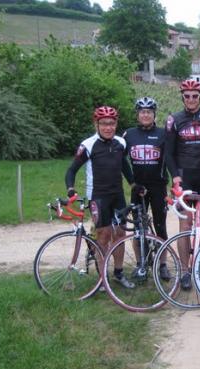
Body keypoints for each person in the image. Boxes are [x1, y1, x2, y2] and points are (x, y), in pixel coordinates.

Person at [65, 106, 136, 289]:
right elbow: (72, 170)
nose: (108, 127)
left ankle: (119, 273)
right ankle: (102, 278)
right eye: (104, 124)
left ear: (116, 124)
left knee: (120, 234)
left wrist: (134, 184)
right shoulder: (88, 145)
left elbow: (124, 166)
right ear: (96, 124)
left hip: (117, 195)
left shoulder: (121, 143)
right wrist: (71, 189)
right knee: (103, 236)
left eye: (111, 123)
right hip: (98, 197)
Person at [164, 79, 200, 290]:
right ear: (182, 97)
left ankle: (198, 267)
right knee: (186, 225)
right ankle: (184, 270)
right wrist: (175, 176)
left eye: (195, 96)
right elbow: (168, 153)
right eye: (187, 96)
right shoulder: (175, 120)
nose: (191, 99)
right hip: (184, 177)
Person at [122, 96, 170, 280]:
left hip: (158, 187)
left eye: (149, 111)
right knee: (138, 229)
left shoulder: (162, 134)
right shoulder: (129, 135)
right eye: (142, 111)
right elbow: (121, 160)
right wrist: (132, 182)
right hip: (138, 188)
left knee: (160, 226)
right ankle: (140, 263)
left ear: (154, 114)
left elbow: (171, 158)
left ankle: (163, 264)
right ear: (137, 114)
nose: (145, 115)